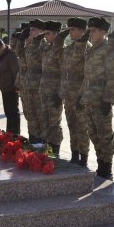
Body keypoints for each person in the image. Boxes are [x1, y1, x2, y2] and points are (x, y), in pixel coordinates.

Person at [80, 17, 114, 180]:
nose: (91, 33)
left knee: (105, 134)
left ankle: (107, 167)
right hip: (89, 97)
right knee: (93, 133)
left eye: (94, 30)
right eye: (90, 30)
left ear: (104, 32)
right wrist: (81, 95)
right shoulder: (91, 49)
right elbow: (87, 75)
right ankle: (100, 164)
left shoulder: (108, 49)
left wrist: (108, 99)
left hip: (100, 98)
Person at [58, 17, 91, 166]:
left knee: (82, 128)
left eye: (73, 29)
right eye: (69, 29)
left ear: (82, 31)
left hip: (79, 96)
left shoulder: (87, 49)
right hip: (68, 95)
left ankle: (83, 158)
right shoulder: (69, 48)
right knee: (72, 126)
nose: (70, 32)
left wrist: (82, 95)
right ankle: (74, 155)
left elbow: (87, 75)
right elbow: (64, 72)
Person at [40, 20, 64, 156]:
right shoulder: (47, 48)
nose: (45, 36)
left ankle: (55, 151)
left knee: (54, 123)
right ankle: (47, 149)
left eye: (48, 33)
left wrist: (59, 93)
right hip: (44, 90)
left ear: (56, 34)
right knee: (45, 121)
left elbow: (63, 72)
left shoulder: (60, 50)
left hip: (55, 92)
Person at [24, 19, 47, 143]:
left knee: (40, 115)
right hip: (29, 85)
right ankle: (33, 139)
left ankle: (42, 143)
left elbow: (39, 62)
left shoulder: (44, 44)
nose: (31, 31)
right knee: (30, 114)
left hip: (39, 85)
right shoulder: (30, 44)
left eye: (34, 29)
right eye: (30, 29)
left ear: (41, 31)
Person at [0, 38, 20, 134]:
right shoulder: (1, 55)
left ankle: (15, 134)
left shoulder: (11, 55)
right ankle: (10, 132)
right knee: (8, 112)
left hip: (12, 88)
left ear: (2, 47)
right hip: (5, 88)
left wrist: (17, 86)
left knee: (13, 112)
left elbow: (16, 71)